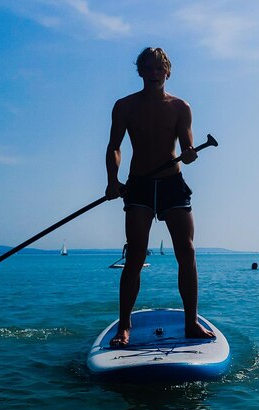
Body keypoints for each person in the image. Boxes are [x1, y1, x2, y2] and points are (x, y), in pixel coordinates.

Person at [105, 47, 215, 347]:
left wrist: (190, 154)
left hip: (171, 184)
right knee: (136, 255)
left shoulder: (181, 107)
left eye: (159, 68)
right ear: (139, 71)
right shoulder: (124, 106)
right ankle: (124, 326)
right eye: (148, 68)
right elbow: (115, 146)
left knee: (187, 252)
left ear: (168, 72)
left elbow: (186, 146)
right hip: (139, 184)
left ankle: (191, 322)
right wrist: (112, 181)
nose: (154, 73)